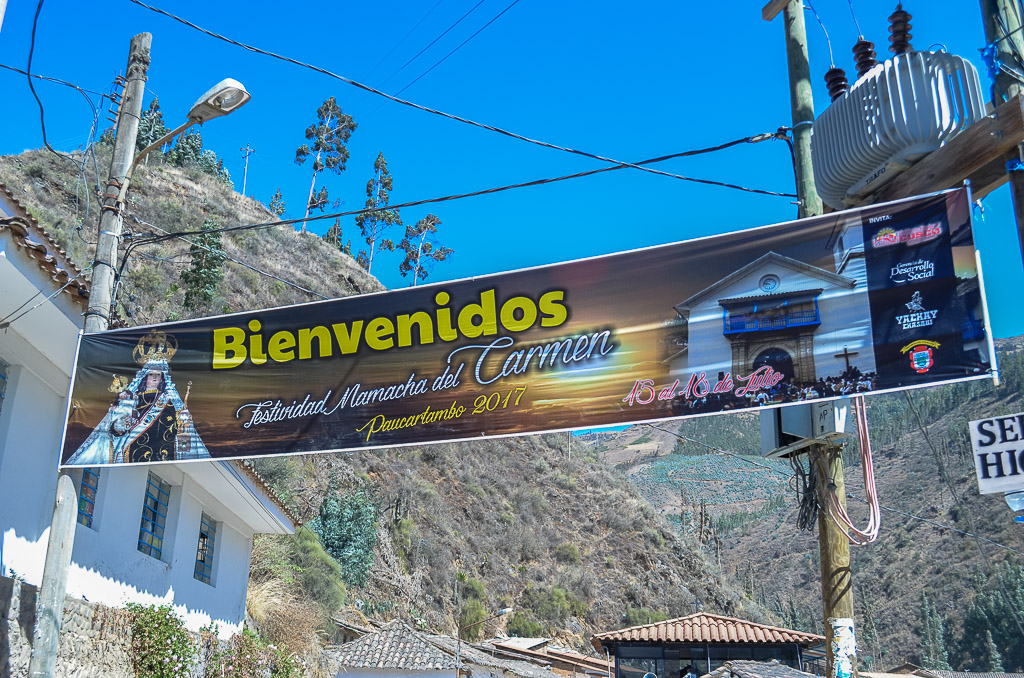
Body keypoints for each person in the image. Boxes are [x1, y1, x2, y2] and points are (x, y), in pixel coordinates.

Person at [64, 331, 211, 465]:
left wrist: (183, 421)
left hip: (160, 457)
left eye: (158, 375)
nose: (154, 378)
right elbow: (112, 429)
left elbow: (182, 432)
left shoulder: (169, 401)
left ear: (163, 378)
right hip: (126, 453)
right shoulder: (130, 399)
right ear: (144, 376)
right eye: (151, 374)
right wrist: (119, 425)